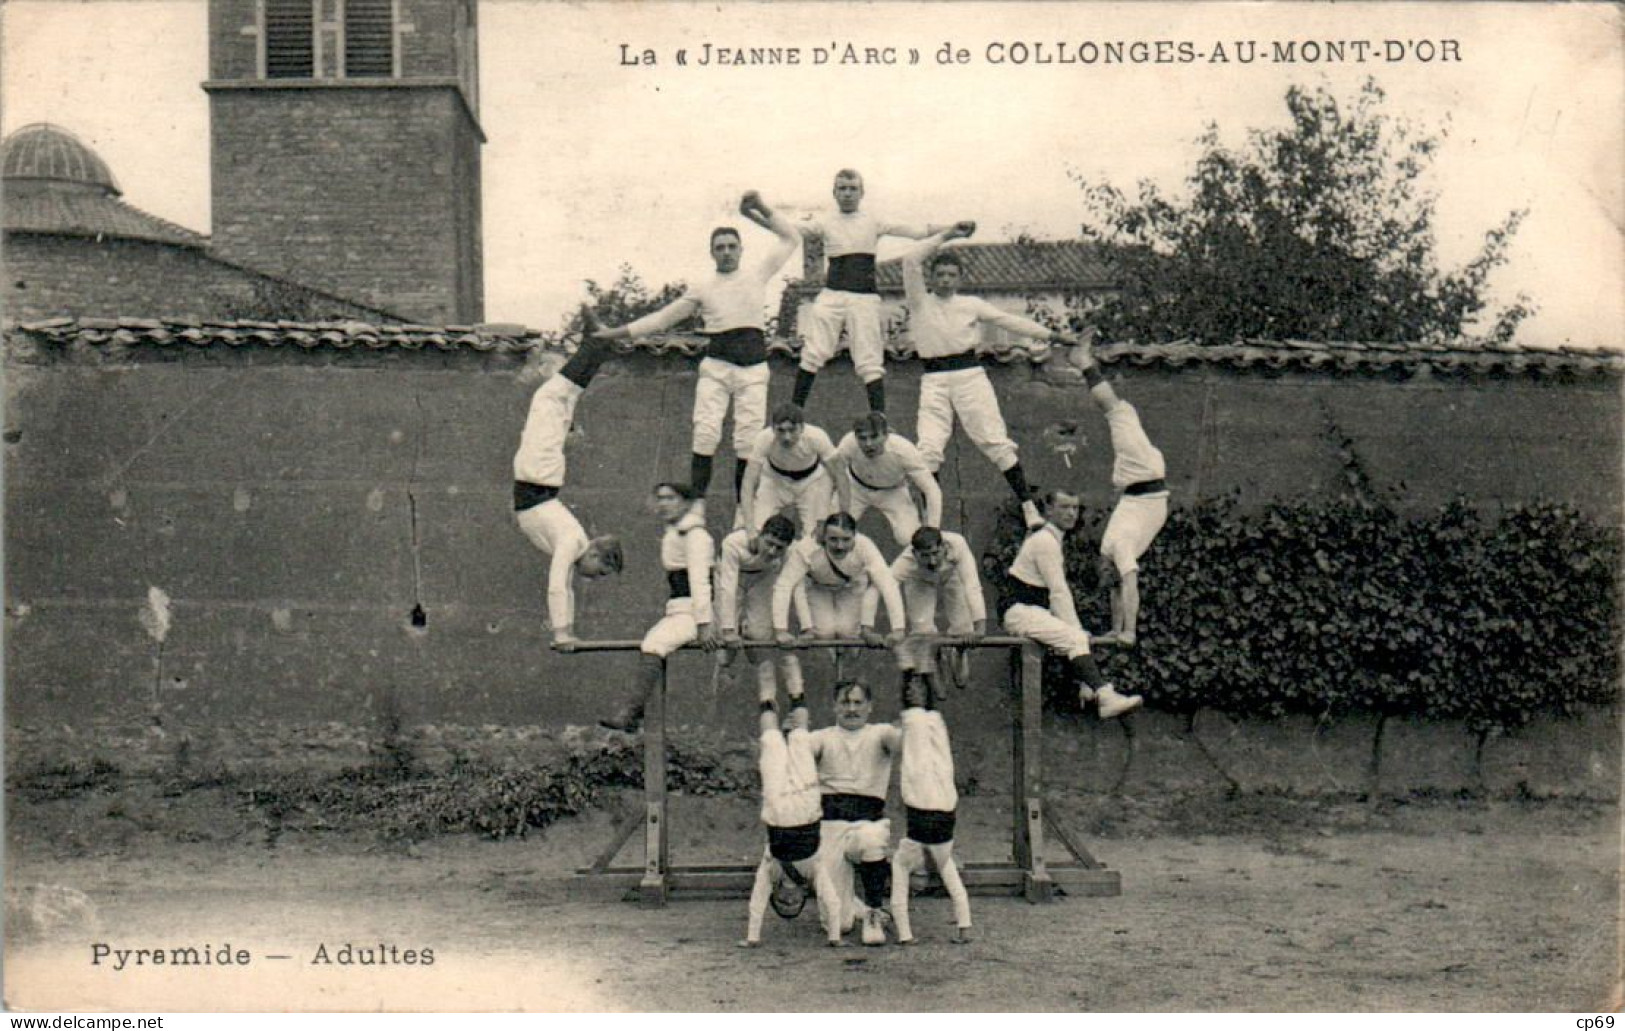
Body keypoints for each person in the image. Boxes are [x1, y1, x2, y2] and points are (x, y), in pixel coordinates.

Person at [593, 192, 800, 503]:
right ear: (712, 254)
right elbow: (663, 319)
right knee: (705, 435)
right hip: (717, 369)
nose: (727, 252)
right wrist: (613, 333)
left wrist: (757, 210)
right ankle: (696, 511)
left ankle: (742, 519)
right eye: (720, 248)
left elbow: (791, 238)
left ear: (741, 250)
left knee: (747, 444)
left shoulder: (758, 274)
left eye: (732, 247)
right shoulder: (703, 288)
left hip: (754, 371)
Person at [900, 221, 1079, 531]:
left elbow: (1010, 321)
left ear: (959, 279)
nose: (945, 280)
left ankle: (1029, 509)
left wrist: (1052, 335)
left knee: (994, 441)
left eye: (951, 275)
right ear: (930, 278)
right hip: (934, 380)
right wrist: (948, 235)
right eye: (939, 274)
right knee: (928, 448)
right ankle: (930, 525)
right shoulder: (920, 302)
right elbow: (910, 260)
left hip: (969, 376)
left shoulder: (970, 304)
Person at [793, 169, 958, 414]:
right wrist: (759, 212)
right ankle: (794, 413)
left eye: (852, 189)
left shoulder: (873, 220)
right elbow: (790, 228)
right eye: (842, 189)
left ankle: (879, 418)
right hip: (832, 295)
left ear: (861, 192)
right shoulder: (825, 221)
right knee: (813, 352)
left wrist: (952, 229)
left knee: (869, 359)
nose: (847, 194)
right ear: (834, 193)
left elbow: (915, 230)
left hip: (864, 297)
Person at [512, 321, 625, 650]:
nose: (593, 577)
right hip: (538, 473)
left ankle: (597, 346)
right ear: (594, 553)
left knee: (562, 399)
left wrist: (569, 630)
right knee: (552, 397)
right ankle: (595, 345)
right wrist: (561, 633)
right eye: (600, 571)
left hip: (541, 476)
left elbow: (568, 587)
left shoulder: (576, 544)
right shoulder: (572, 541)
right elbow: (557, 585)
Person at [1001, 489, 1142, 719]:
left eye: (1075, 508)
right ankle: (1105, 696)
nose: (1071, 513)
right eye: (1064, 507)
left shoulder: (1052, 540)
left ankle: (1088, 686)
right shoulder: (1045, 542)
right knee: (1075, 636)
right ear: (1048, 510)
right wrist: (1076, 631)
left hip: (1033, 611)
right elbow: (1059, 594)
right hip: (1019, 612)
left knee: (1074, 637)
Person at [1069, 341, 1169, 647]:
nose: (1103, 569)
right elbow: (1127, 585)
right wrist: (1128, 631)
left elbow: (1116, 588)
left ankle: (1083, 362)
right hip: (1143, 474)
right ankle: (1082, 361)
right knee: (1117, 410)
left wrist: (1118, 628)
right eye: (1103, 571)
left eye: (1101, 571)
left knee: (1120, 411)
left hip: (1137, 482)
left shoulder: (1110, 549)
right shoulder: (1120, 549)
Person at [600, 482, 719, 731]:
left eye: (671, 498)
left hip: (694, 611)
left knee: (654, 644)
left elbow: (700, 581)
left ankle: (631, 713)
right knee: (651, 644)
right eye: (660, 498)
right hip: (678, 608)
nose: (664, 504)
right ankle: (634, 711)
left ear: (686, 503)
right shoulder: (675, 532)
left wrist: (705, 624)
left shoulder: (695, 536)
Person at [740, 698, 845, 949]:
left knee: (772, 743)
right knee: (800, 742)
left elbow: (756, 900)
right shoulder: (814, 871)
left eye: (782, 902)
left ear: (774, 896)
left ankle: (765, 696)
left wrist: (752, 938)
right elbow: (832, 901)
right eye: (794, 903)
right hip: (807, 809)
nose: (789, 898)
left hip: (778, 811)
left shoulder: (771, 870)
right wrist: (835, 938)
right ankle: (797, 692)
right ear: (803, 896)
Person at [889, 639, 971, 945]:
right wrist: (963, 928)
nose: (920, 879)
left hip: (934, 804)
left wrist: (906, 936)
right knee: (929, 730)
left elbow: (899, 898)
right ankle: (914, 664)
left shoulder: (911, 857)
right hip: (937, 803)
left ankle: (912, 664)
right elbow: (956, 890)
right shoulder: (935, 857)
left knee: (923, 731)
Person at [809, 679, 901, 946]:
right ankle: (855, 908)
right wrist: (790, 735)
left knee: (871, 840)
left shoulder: (880, 733)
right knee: (840, 923)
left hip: (866, 823)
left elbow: (899, 743)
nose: (851, 709)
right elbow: (797, 753)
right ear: (834, 706)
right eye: (845, 702)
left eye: (858, 702)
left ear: (869, 707)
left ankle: (873, 911)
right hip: (830, 827)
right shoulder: (822, 737)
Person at [772, 512, 906, 650]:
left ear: (855, 535)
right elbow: (784, 585)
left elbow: (888, 584)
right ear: (824, 536)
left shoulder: (865, 546)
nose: (839, 546)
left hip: (852, 587)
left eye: (846, 539)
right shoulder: (806, 547)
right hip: (818, 588)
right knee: (825, 633)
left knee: (847, 633)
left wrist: (898, 629)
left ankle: (850, 664)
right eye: (833, 539)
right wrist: (780, 630)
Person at [716, 514, 809, 708]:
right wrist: (728, 630)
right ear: (759, 534)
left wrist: (807, 627)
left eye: (779, 547)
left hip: (762, 578)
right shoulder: (734, 543)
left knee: (760, 635)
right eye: (769, 543)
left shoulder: (793, 551)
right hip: (730, 578)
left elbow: (795, 587)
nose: (773, 551)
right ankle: (726, 661)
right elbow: (728, 587)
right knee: (725, 647)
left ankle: (768, 699)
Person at [827, 411, 942, 549]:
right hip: (855, 488)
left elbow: (931, 490)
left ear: (886, 435)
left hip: (893, 492)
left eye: (874, 437)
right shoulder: (848, 442)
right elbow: (837, 470)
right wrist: (843, 511)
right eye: (862, 438)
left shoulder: (904, 451)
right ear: (855, 436)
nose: (868, 444)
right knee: (832, 530)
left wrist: (933, 528)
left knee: (908, 538)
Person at [890, 526, 985, 689]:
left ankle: (958, 652)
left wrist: (980, 627)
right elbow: (884, 588)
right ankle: (936, 654)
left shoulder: (957, 544)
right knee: (922, 630)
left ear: (944, 547)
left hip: (952, 576)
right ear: (915, 554)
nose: (932, 561)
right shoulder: (905, 562)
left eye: (935, 553)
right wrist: (893, 628)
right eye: (925, 556)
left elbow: (972, 586)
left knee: (963, 630)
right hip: (919, 581)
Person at [738, 404, 837, 539]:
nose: (787, 437)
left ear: (802, 427)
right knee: (758, 530)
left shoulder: (817, 436)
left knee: (814, 538)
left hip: (811, 483)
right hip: (774, 481)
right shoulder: (763, 439)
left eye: (792, 430)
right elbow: (748, 482)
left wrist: (832, 515)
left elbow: (840, 476)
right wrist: (750, 530)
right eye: (781, 430)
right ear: (773, 428)